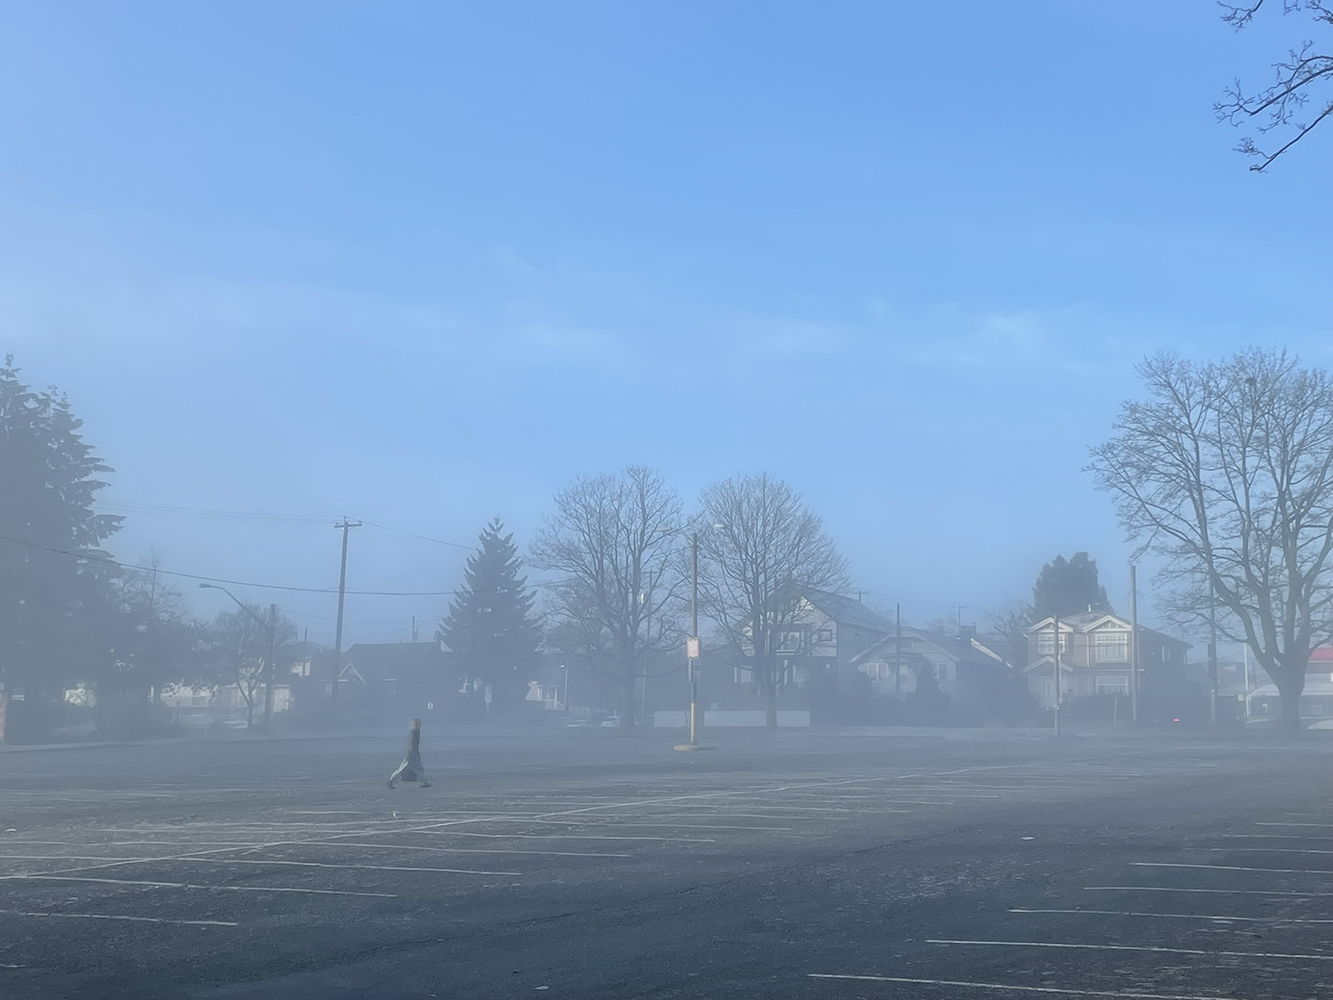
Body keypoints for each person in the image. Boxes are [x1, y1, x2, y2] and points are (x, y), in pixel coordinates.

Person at [387, 717, 431, 789]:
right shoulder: (415, 733)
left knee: (408, 769)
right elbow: (412, 745)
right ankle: (390, 781)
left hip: (411, 755)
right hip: (411, 756)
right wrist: (413, 754)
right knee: (414, 770)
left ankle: (390, 781)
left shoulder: (415, 732)